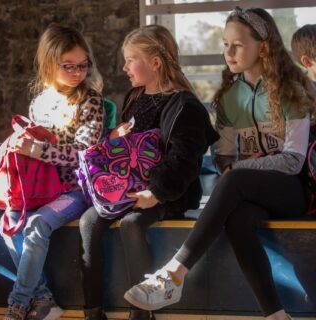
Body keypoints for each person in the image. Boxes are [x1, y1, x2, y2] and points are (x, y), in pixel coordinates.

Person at [124, 7, 316, 320]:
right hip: (250, 192)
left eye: (237, 45)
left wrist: (241, 168)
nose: (228, 51)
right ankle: (276, 316)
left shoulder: (292, 89)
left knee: (235, 180)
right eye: (225, 44)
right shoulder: (228, 97)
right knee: (238, 216)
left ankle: (174, 274)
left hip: (295, 191)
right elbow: (224, 158)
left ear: (263, 47)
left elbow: (293, 161)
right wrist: (235, 166)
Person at [79, 25, 218, 320]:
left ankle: (141, 311)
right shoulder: (135, 96)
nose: (125, 67)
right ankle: (92, 310)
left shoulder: (185, 105)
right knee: (89, 221)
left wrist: (155, 193)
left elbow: (185, 160)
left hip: (168, 193)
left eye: (131, 59)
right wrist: (114, 137)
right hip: (127, 186)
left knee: (131, 223)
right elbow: (126, 149)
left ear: (155, 62)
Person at [0, 24, 105, 320]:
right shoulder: (39, 103)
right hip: (39, 188)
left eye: (83, 65)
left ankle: (18, 303)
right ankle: (44, 298)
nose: (77, 73)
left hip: (76, 190)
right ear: (49, 64)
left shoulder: (91, 100)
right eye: (68, 66)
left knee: (35, 226)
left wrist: (38, 150)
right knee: (7, 225)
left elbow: (83, 156)